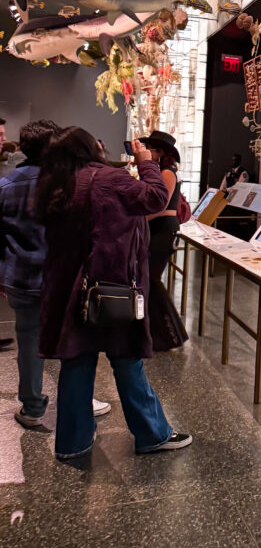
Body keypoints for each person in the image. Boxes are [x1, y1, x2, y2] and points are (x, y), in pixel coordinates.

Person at [36, 127, 191, 460]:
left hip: (67, 288)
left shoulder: (56, 182)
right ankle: (152, 433)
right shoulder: (106, 178)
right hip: (109, 285)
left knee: (76, 361)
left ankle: (72, 442)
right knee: (126, 359)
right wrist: (147, 163)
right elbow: (154, 197)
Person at [0, 119, 113, 427]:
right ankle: (81, 401)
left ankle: (32, 408)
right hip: (63, 277)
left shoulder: (6, 184)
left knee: (28, 342)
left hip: (21, 278)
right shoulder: (69, 182)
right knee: (75, 341)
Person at [142, 130, 189, 351]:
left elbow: (160, 205)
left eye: (150, 148)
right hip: (158, 229)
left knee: (151, 280)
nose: (147, 152)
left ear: (160, 152)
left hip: (163, 230)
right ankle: (161, 333)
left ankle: (171, 334)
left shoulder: (168, 173)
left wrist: (137, 216)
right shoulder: (165, 171)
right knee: (150, 280)